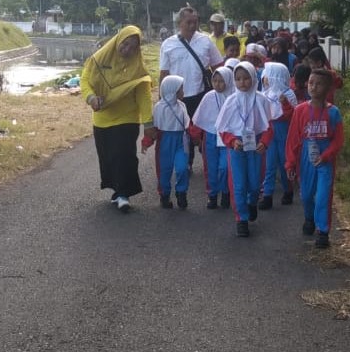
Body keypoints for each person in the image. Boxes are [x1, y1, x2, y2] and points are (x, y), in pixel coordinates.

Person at [81, 25, 155, 213]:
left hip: (127, 118)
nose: (127, 49)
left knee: (124, 156)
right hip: (102, 118)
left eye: (133, 47)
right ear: (118, 40)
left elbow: (144, 96)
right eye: (125, 44)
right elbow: (85, 80)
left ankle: (123, 194)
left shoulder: (138, 69)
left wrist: (148, 123)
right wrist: (91, 98)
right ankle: (117, 191)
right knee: (108, 157)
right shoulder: (99, 59)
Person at [285, 69, 345, 248]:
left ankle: (323, 231)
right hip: (306, 156)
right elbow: (293, 139)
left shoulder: (333, 112)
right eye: (311, 83)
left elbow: (338, 140)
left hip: (325, 158)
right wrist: (290, 163)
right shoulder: (300, 110)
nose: (313, 87)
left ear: (328, 88)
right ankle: (309, 218)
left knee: (323, 196)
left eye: (319, 84)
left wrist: (326, 155)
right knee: (306, 194)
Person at [159, 6, 223, 169]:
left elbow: (218, 66)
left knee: (203, 132)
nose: (193, 25)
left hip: (202, 95)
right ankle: (186, 163)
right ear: (179, 23)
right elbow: (164, 73)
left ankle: (209, 164)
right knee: (182, 133)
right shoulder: (168, 44)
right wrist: (162, 99)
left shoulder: (205, 41)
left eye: (195, 22)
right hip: (178, 98)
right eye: (189, 22)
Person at [215, 62, 274, 237]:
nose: (242, 82)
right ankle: (241, 218)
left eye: (246, 78)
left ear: (253, 78)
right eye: (238, 79)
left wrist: (264, 142)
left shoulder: (262, 100)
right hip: (237, 147)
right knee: (238, 184)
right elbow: (222, 128)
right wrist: (232, 141)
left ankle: (252, 202)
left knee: (255, 182)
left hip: (256, 145)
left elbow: (269, 126)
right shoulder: (231, 101)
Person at [141, 75, 191, 210]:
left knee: (182, 168)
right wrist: (147, 141)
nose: (183, 92)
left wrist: (195, 135)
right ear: (172, 90)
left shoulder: (182, 106)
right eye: (181, 89)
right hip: (165, 142)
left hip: (181, 141)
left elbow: (187, 124)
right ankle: (165, 194)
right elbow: (154, 129)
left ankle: (181, 192)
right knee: (164, 170)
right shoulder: (159, 108)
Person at [191, 67, 235, 209]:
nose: (217, 84)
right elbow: (199, 117)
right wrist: (195, 135)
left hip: (227, 136)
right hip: (210, 136)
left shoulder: (234, 96)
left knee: (225, 167)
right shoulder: (209, 96)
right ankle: (212, 195)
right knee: (211, 167)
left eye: (221, 81)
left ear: (228, 81)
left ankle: (226, 192)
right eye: (215, 81)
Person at [259, 62, 299, 210]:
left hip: (284, 133)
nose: (264, 79)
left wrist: (285, 104)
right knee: (269, 165)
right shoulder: (264, 94)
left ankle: (288, 190)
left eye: (267, 76)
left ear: (275, 77)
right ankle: (267, 195)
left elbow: (293, 116)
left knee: (284, 163)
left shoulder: (288, 94)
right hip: (269, 132)